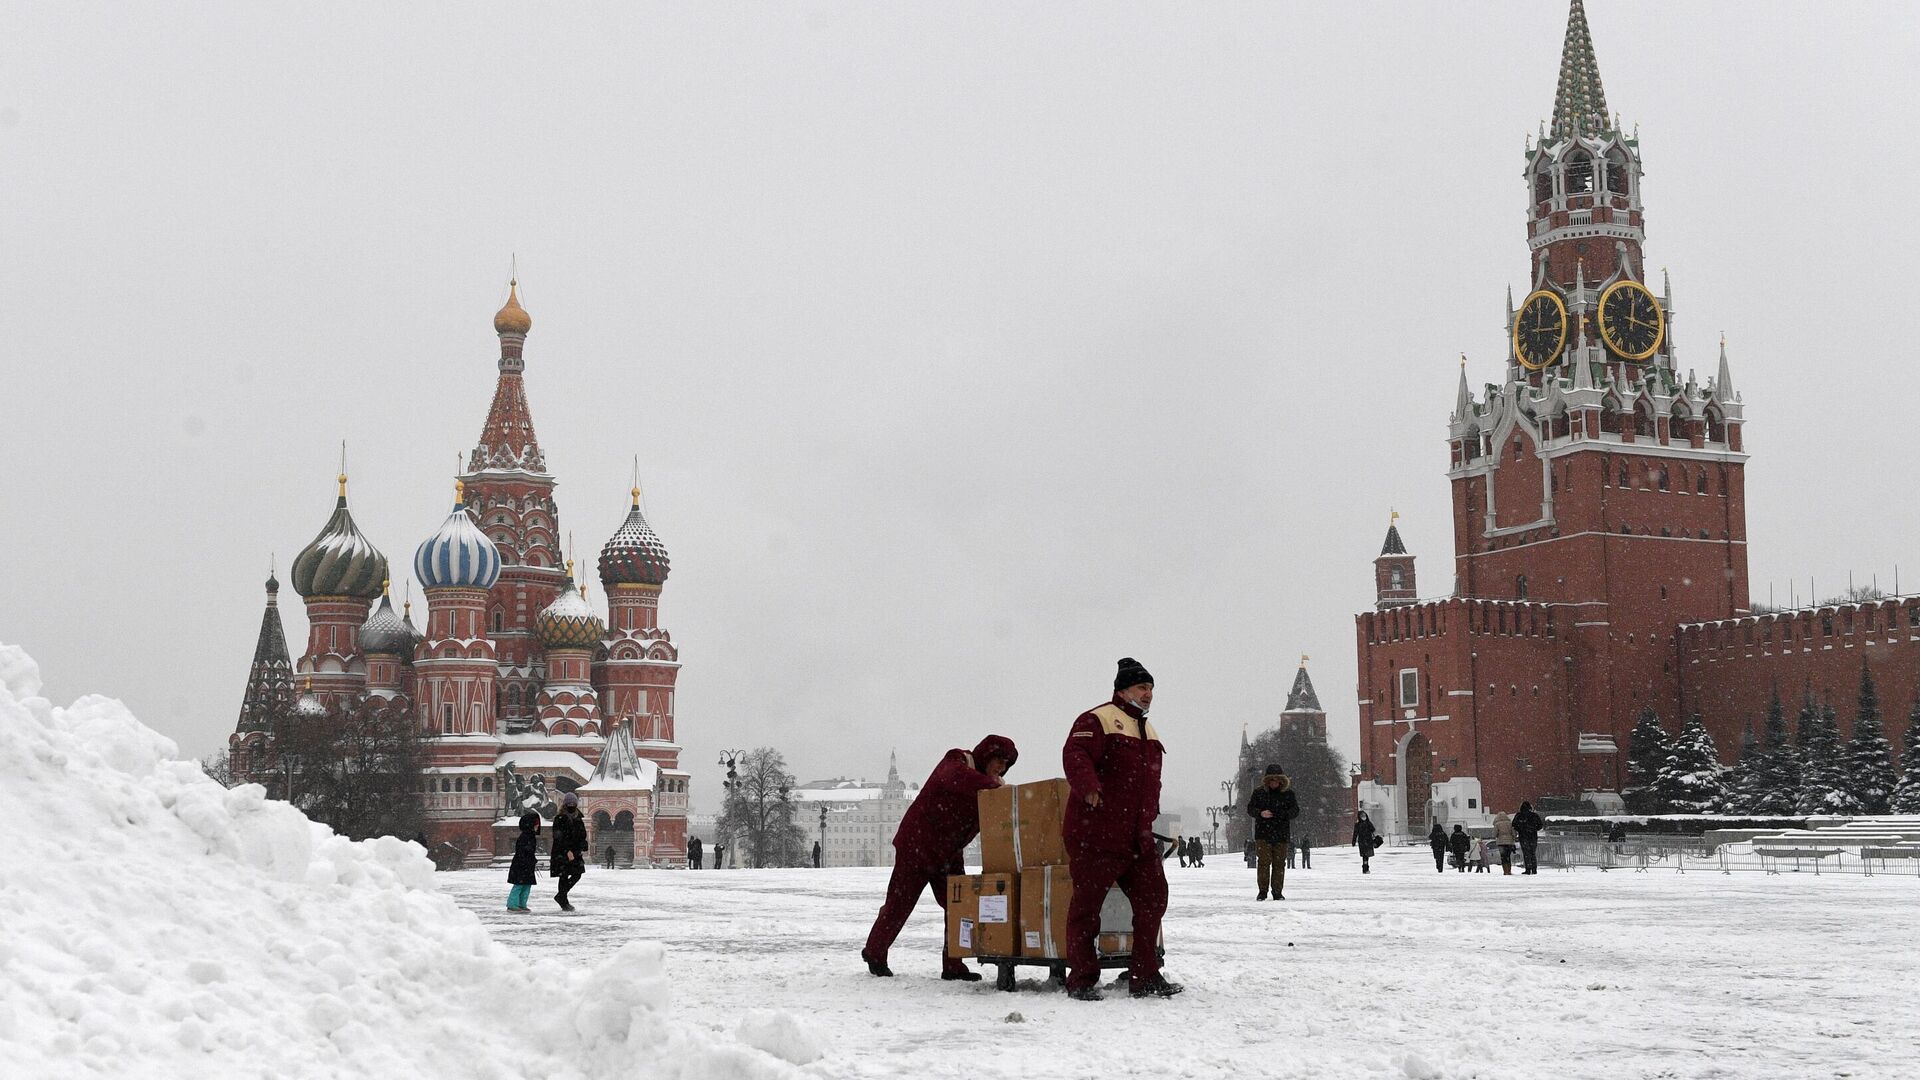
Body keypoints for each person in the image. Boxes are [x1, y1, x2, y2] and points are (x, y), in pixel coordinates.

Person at [1061, 658, 1180, 1000]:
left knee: (1153, 898)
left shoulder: (1149, 731)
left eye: (1152, 689)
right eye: (1143, 688)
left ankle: (1144, 976)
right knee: (1087, 908)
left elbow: (1148, 783)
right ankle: (1081, 979)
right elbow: (1075, 753)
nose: (1149, 695)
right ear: (1123, 689)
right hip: (1095, 833)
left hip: (1136, 837)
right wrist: (1089, 788)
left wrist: (1149, 815)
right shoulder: (1097, 719)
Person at [862, 735, 1018, 981]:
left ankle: (953, 965)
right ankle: (875, 952)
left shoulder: (987, 787)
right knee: (900, 903)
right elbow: (953, 777)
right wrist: (995, 787)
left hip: (948, 852)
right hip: (918, 845)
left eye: (1006, 764)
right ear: (987, 755)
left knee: (958, 908)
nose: (1001, 767)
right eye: (999, 760)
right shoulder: (958, 760)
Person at [1246, 764, 1299, 901]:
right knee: (1263, 862)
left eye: (1276, 780)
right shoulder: (1259, 793)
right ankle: (1262, 891)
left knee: (1279, 863)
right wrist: (1260, 813)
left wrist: (1283, 814)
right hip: (1263, 834)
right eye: (1271, 780)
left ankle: (1277, 891)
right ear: (1267, 780)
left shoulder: (1288, 794)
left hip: (1281, 834)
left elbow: (1295, 811)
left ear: (1281, 780)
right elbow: (1250, 809)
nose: (1274, 782)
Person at [551, 793, 588, 910]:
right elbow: (558, 836)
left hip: (576, 851)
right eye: (569, 803)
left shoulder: (578, 818)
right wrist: (567, 850)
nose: (571, 805)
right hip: (562, 852)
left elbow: (582, 834)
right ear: (565, 804)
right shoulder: (560, 818)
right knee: (563, 875)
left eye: (573, 803)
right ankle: (564, 901)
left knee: (577, 874)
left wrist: (583, 845)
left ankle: (561, 896)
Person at [506, 811, 539, 912]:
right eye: (536, 824)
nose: (537, 827)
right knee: (519, 885)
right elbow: (523, 851)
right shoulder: (525, 836)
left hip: (526, 865)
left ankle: (521, 904)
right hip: (521, 865)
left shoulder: (530, 836)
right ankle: (512, 904)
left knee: (526, 885)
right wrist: (529, 860)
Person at [1513, 801, 1545, 875]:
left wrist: (1520, 829)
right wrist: (1534, 829)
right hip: (1533, 836)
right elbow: (1540, 825)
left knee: (1526, 853)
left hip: (1523, 836)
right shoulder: (1534, 815)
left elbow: (1514, 825)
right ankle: (1534, 869)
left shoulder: (1519, 815)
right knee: (1532, 853)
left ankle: (1528, 869)